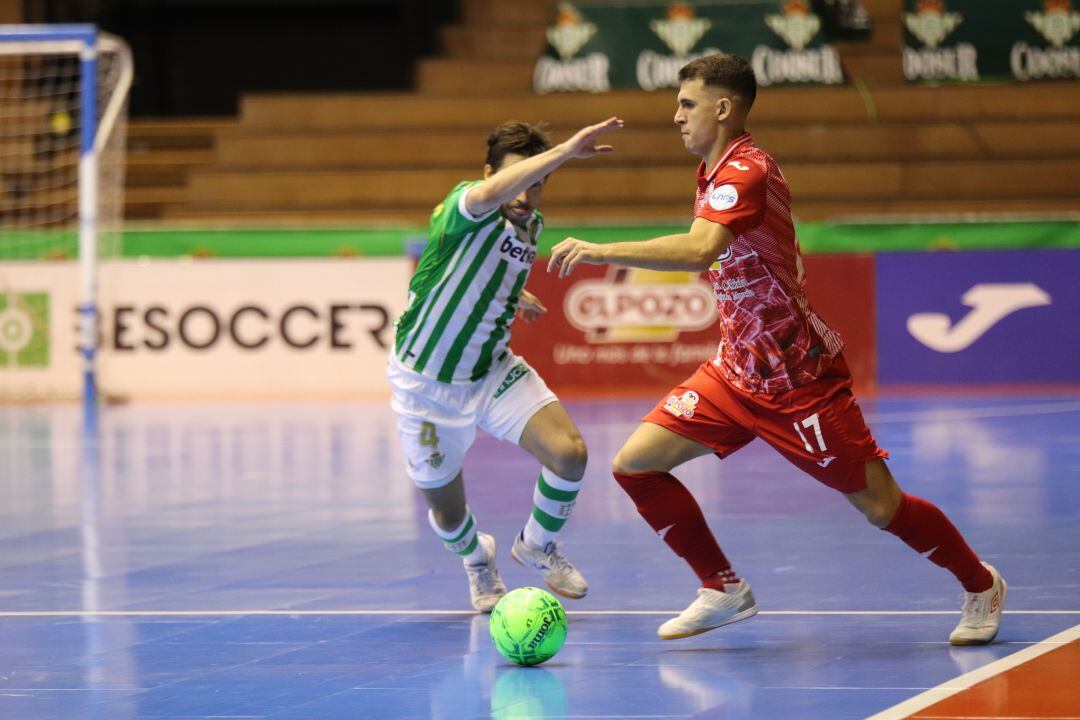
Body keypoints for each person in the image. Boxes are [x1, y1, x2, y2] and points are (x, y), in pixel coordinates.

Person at [547, 53, 1005, 644]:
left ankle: (979, 583)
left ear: (722, 107)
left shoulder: (747, 171)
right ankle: (721, 587)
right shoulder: (713, 170)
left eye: (687, 104)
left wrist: (601, 250)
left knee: (880, 506)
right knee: (636, 463)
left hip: (799, 380)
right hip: (737, 373)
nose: (676, 116)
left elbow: (697, 251)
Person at [388, 117, 624, 612]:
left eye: (538, 182)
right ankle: (478, 561)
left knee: (570, 453)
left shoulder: (532, 225)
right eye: (520, 178)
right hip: (425, 387)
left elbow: (486, 270)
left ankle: (536, 543)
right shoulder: (467, 204)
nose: (527, 192)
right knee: (449, 517)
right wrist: (563, 151)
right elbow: (489, 198)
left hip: (490, 370)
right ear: (490, 175)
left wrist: (516, 293)